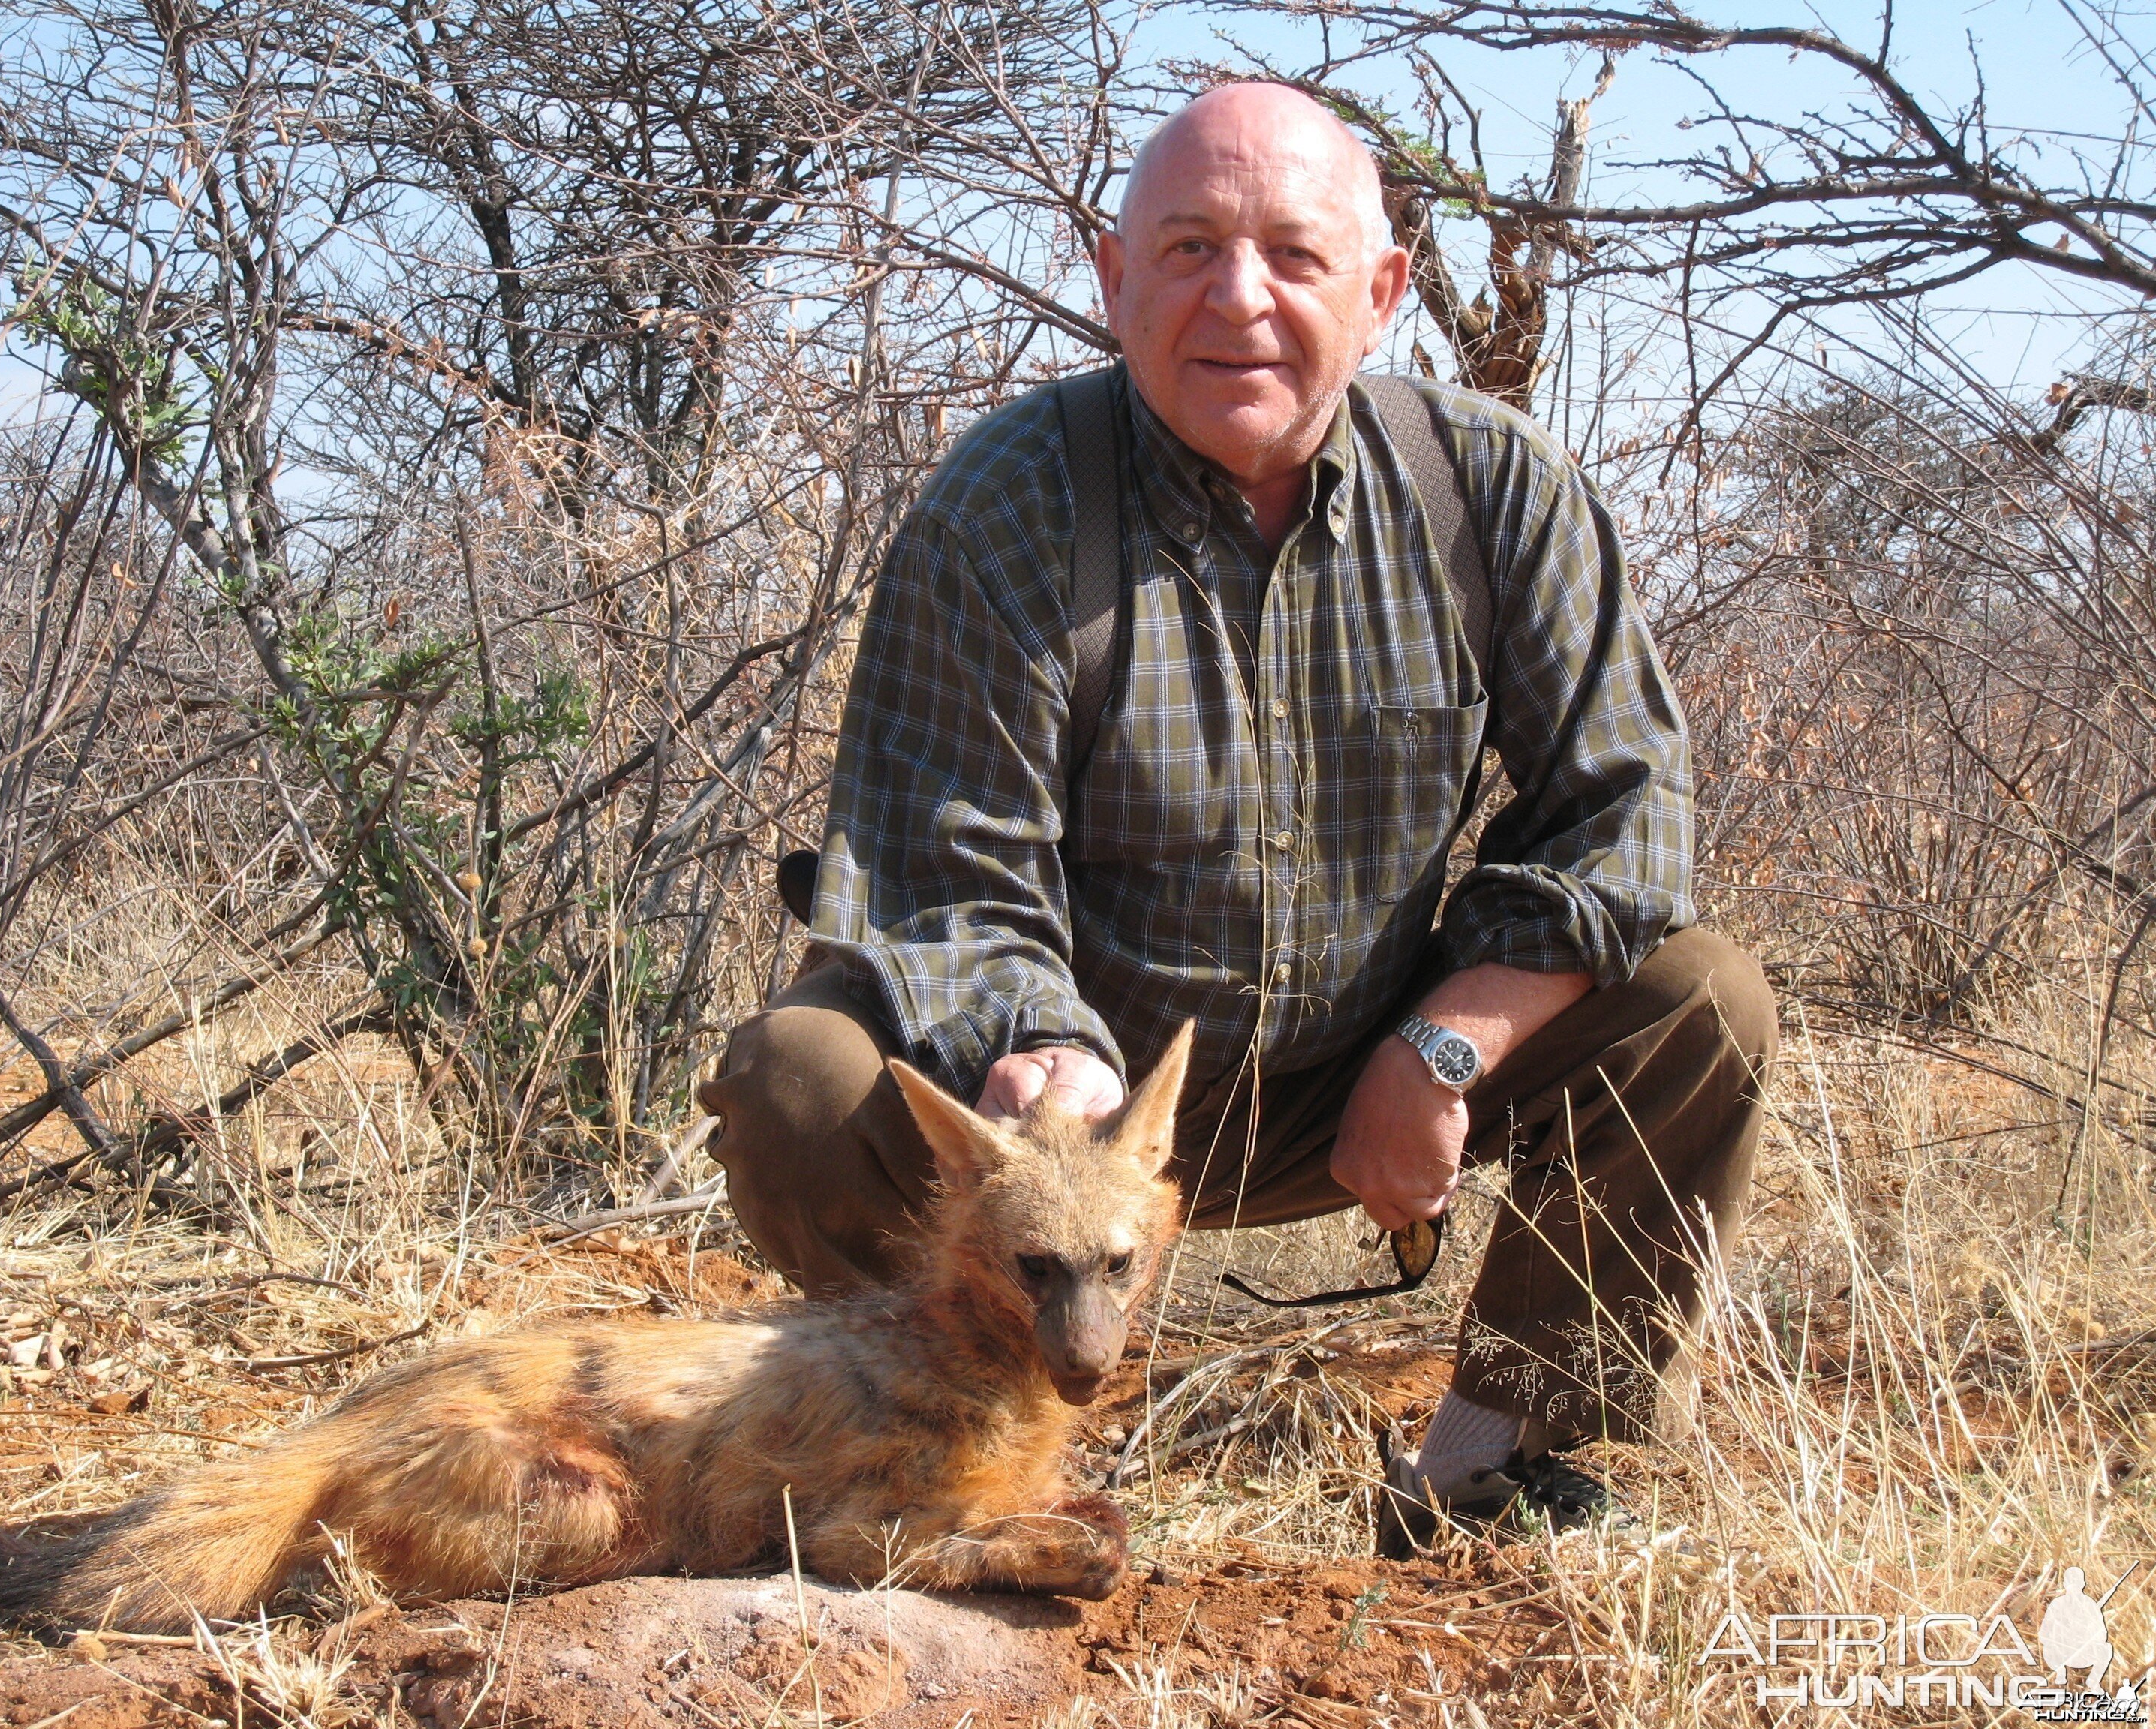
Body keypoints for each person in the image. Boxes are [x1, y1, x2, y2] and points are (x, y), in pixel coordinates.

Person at [702, 80, 1776, 1550]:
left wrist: (1445, 1044)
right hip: (1073, 1112)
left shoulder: (1491, 486)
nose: (1240, 300)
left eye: (1294, 255)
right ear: (1115, 276)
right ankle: (956, 1451)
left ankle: (1484, 1469)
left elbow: (1630, 818)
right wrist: (1048, 1068)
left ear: (1384, 290)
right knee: (801, 1073)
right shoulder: (1006, 505)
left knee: (1695, 998)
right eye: (1191, 248)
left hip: (1370, 1078)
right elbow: (944, 879)